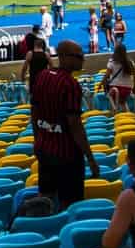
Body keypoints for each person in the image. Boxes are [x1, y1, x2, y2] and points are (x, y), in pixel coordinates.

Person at [31, 39, 100, 209]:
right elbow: (75, 125)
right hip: (67, 155)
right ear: (64, 57)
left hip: (44, 149)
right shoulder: (70, 85)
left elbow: (34, 112)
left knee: (45, 198)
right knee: (71, 204)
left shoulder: (42, 76)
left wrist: (37, 139)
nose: (82, 59)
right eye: (78, 56)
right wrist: (90, 158)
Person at [104, 43, 135, 112]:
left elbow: (106, 76)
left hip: (115, 87)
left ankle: (115, 110)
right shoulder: (130, 62)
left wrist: (103, 85)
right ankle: (127, 116)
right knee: (123, 102)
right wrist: (134, 88)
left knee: (109, 96)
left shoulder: (112, 62)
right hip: (128, 88)